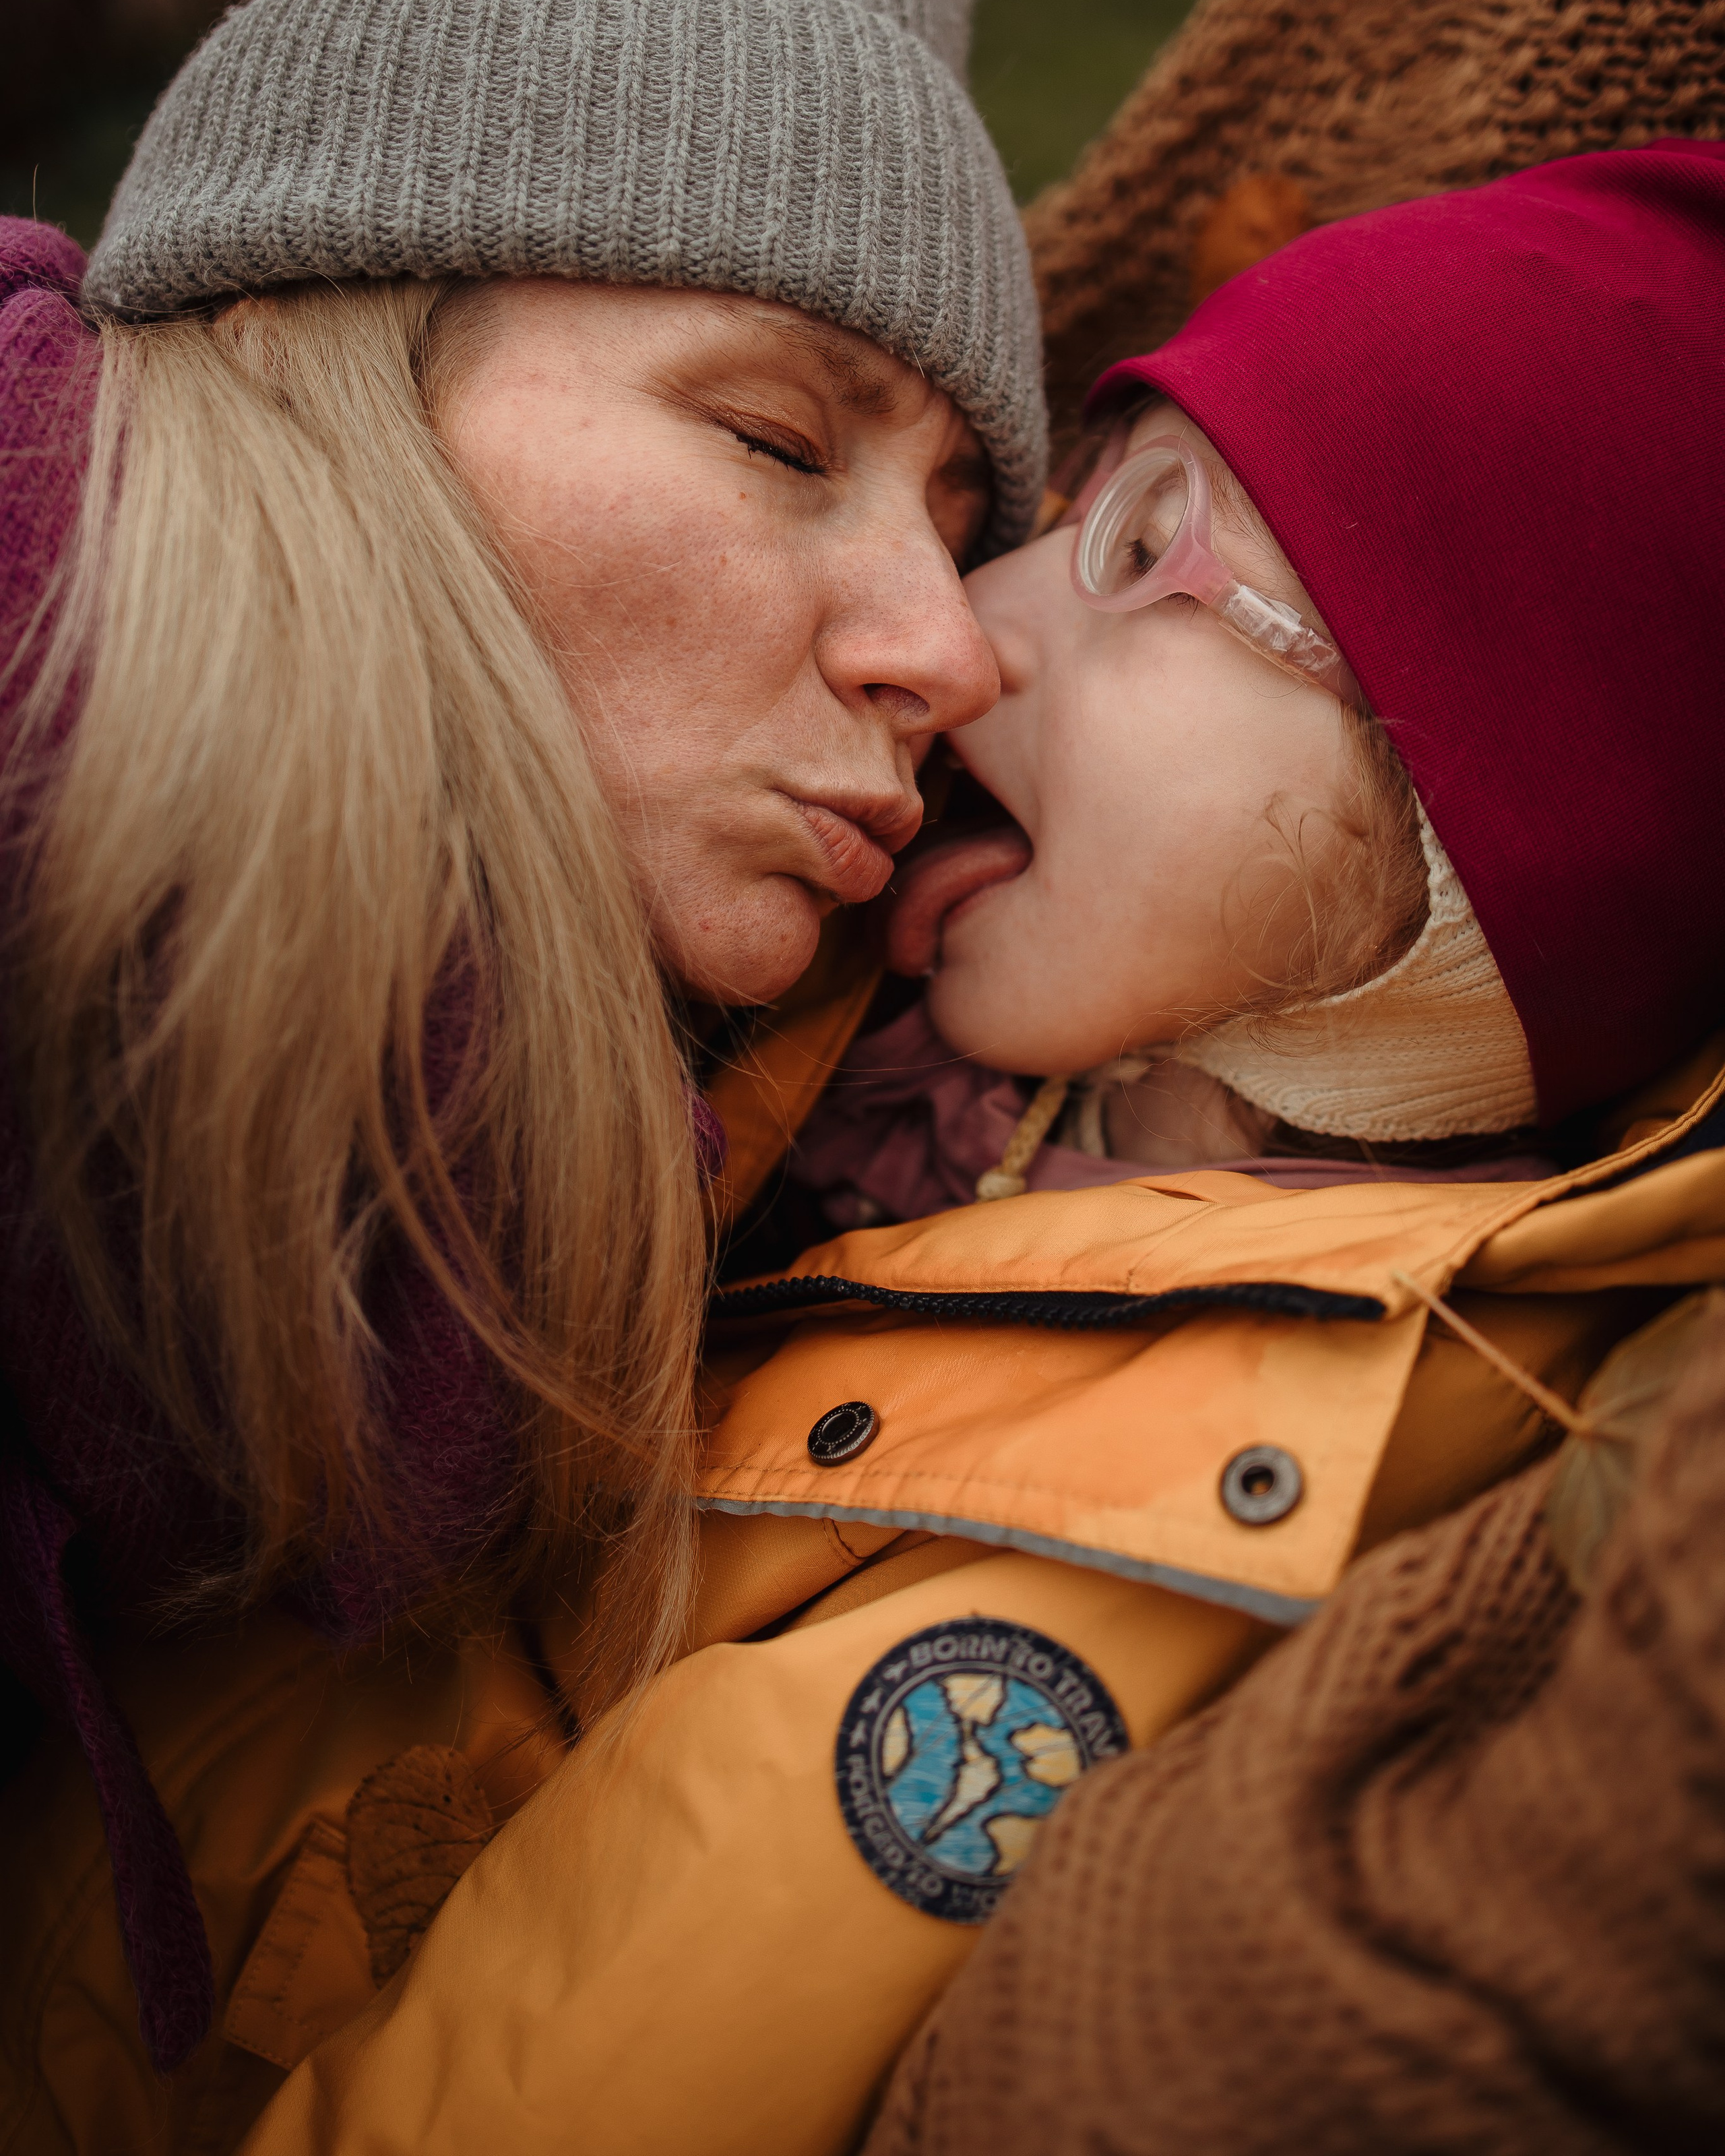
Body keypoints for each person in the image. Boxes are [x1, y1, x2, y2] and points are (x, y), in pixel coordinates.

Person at [229, 141, 1725, 2156]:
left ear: (1501, 800)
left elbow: (654, 1999)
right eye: (1055, 520)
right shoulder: (846, 976)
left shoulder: (1273, 1444)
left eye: (1144, 559)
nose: (967, 625)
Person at [0, 0, 1046, 2143]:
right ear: (315, 340)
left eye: (963, 523)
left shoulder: (385, 1189)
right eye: (779, 434)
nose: (958, 652)